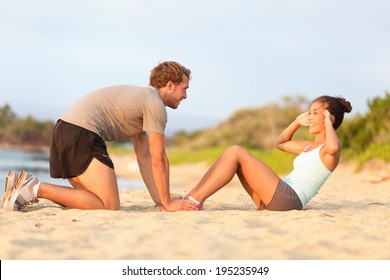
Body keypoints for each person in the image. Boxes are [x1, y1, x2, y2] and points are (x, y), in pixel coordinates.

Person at [4, 61, 197, 212]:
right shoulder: (154, 104)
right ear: (170, 85)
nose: (186, 96)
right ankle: (34, 188)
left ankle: (20, 189)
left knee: (90, 198)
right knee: (109, 205)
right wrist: (169, 203)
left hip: (64, 130)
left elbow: (144, 156)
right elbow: (159, 159)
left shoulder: (143, 100)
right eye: (185, 88)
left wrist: (160, 201)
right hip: (81, 133)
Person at [185, 96, 352, 211]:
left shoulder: (328, 151)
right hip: (274, 198)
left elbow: (334, 148)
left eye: (316, 113)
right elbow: (280, 143)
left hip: (289, 200)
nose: (310, 117)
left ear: (329, 118)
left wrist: (329, 123)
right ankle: (191, 197)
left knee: (236, 151)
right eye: (310, 112)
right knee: (231, 153)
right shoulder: (308, 146)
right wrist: (296, 122)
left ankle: (194, 202)